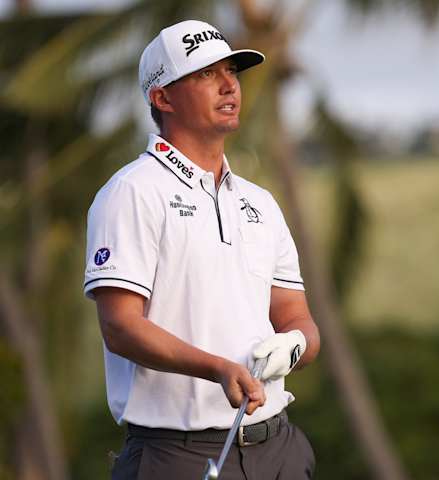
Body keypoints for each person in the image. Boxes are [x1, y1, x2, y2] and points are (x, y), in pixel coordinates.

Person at [83, 19, 319, 479]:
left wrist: (294, 344)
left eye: (231, 71)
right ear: (163, 97)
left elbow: (297, 318)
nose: (230, 84)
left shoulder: (259, 203)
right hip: (178, 455)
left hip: (279, 448)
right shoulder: (132, 192)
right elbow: (121, 327)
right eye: (206, 74)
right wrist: (217, 368)